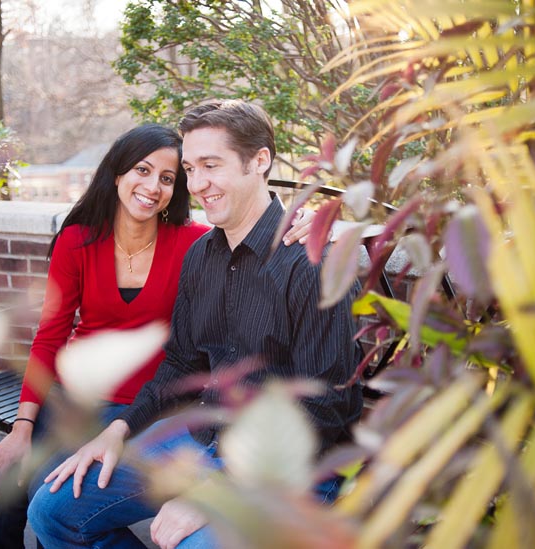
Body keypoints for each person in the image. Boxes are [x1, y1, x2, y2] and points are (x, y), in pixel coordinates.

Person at [27, 100, 363, 548]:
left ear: (259, 161)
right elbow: (181, 362)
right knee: (53, 511)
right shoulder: (201, 257)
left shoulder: (311, 262)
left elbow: (326, 408)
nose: (198, 184)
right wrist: (118, 430)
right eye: (190, 168)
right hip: (201, 440)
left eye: (211, 165)